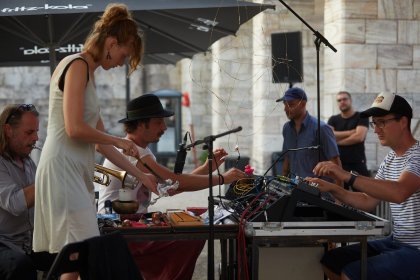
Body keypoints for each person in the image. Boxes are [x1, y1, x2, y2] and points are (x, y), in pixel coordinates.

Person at [33, 4, 154, 280]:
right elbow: (76, 129)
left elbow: (101, 144)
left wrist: (140, 175)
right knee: (80, 256)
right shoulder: (77, 65)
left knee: (75, 260)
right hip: (62, 171)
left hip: (73, 172)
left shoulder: (87, 71)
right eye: (124, 55)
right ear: (111, 43)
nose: (122, 63)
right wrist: (120, 141)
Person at [97, 93, 246, 279]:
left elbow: (170, 187)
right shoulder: (134, 152)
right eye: (158, 122)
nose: (164, 128)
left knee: (191, 233)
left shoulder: (139, 150)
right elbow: (173, 182)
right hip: (119, 231)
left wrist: (206, 169)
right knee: (189, 238)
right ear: (142, 124)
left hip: (128, 226)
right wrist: (222, 178)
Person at [307, 91, 420, 280]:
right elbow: (368, 201)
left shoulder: (417, 156)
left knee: (351, 273)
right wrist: (333, 189)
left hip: (416, 248)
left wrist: (347, 176)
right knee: (330, 260)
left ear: (403, 122)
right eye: (374, 123)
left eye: (382, 122)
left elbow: (400, 192)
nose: (376, 130)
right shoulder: (391, 158)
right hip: (398, 241)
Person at [0, 104, 54, 279]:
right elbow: (15, 204)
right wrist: (51, 175)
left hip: (28, 243)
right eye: (29, 132)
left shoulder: (29, 162)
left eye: (36, 132)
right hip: (4, 243)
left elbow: (43, 199)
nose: (36, 138)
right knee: (21, 267)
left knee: (70, 253)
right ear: (8, 130)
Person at [276, 87, 341, 182]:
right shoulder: (287, 128)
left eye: (290, 104)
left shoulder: (321, 128)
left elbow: (336, 164)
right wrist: (282, 182)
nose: (286, 109)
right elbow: (287, 157)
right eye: (284, 105)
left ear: (303, 104)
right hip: (296, 187)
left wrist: (339, 195)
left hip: (319, 191)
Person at [328, 91, 370, 190]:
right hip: (339, 165)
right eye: (339, 100)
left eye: (345, 99)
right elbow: (330, 135)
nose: (342, 102)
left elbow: (359, 137)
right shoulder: (333, 119)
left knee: (362, 199)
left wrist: (337, 142)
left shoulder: (361, 116)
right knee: (340, 199)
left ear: (350, 100)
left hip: (358, 164)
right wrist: (351, 132)